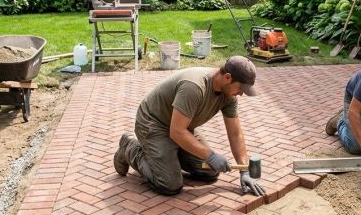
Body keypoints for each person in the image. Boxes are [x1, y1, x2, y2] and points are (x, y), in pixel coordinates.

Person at [113, 55, 266, 196]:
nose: (241, 94)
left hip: (180, 127)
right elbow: (177, 132)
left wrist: (244, 170)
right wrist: (210, 155)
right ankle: (129, 148)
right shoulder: (194, 87)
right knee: (169, 184)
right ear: (227, 77)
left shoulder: (229, 95)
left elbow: (235, 133)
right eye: (241, 89)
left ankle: (168, 156)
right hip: (153, 124)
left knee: (210, 171)